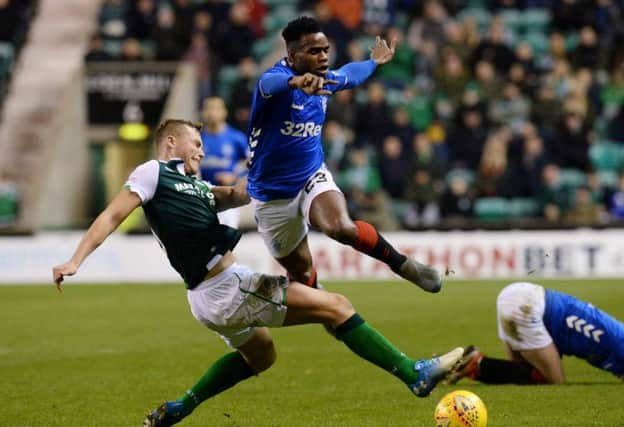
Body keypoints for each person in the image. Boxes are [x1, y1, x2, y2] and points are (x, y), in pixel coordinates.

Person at [51, 119, 464, 427]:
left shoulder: (192, 187)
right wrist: (76, 259)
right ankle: (413, 374)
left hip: (205, 297)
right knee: (337, 306)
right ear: (171, 143)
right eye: (196, 144)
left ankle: (182, 406)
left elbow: (234, 194)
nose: (201, 151)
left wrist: (274, 163)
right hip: (227, 287)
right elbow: (111, 215)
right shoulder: (152, 173)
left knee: (262, 355)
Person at [246, 16, 442, 293]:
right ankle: (322, 304)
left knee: (341, 227)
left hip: (310, 175)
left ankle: (404, 265)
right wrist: (297, 83)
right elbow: (272, 85)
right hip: (271, 193)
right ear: (292, 54)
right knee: (301, 274)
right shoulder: (273, 81)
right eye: (314, 51)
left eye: (325, 50)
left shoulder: (325, 79)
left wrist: (374, 62)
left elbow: (351, 73)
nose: (324, 57)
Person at [446, 282, 624, 385]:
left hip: (521, 297)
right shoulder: (620, 343)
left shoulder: (614, 342)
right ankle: (477, 364)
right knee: (555, 381)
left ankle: (456, 363)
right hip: (528, 307)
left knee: (524, 371)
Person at [199, 96, 249, 227]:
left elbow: (251, 163)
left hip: (228, 198)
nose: (211, 113)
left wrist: (235, 176)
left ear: (224, 112)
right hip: (201, 198)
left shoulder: (236, 138)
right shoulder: (197, 138)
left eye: (215, 108)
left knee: (225, 241)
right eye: (208, 109)